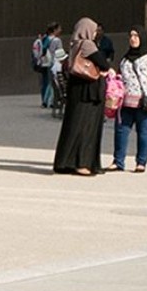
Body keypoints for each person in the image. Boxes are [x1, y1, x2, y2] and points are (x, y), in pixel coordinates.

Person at [52, 18, 109, 175]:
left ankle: (66, 162)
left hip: (77, 90)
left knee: (73, 125)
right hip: (89, 92)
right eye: (94, 29)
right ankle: (82, 163)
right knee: (87, 127)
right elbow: (104, 63)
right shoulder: (87, 45)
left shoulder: (74, 44)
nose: (96, 32)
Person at [113, 27, 147, 173]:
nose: (133, 38)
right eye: (131, 35)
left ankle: (141, 162)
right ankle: (118, 161)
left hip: (144, 101)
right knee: (121, 131)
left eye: (136, 35)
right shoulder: (126, 57)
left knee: (143, 132)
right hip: (125, 101)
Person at [33, 24, 65, 111]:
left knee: (49, 83)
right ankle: (51, 102)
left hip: (46, 62)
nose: (60, 30)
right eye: (59, 28)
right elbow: (59, 52)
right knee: (55, 82)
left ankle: (45, 101)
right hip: (55, 63)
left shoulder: (46, 39)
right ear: (54, 30)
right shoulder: (57, 40)